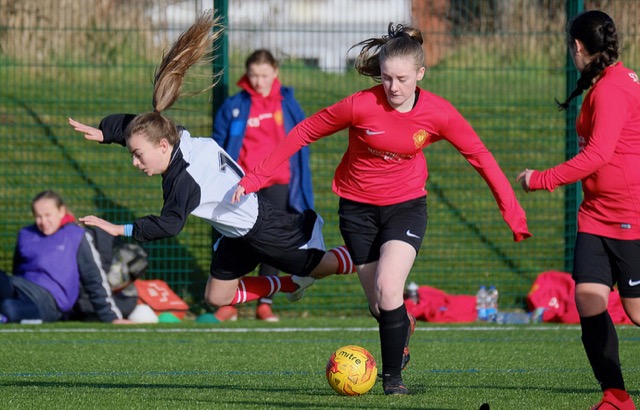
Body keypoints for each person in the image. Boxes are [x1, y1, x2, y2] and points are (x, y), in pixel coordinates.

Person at [234, 23, 531, 395]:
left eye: (403, 79)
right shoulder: (361, 105)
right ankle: (401, 325)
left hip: (405, 207)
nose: (393, 87)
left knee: (390, 289)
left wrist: (513, 213)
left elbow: (480, 157)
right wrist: (254, 178)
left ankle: (393, 381)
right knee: (380, 305)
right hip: (357, 211)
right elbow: (303, 131)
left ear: (420, 74)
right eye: (387, 77)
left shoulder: (438, 113)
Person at [68, 10, 354, 318]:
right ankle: (290, 285)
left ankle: (364, 256)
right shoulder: (179, 137)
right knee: (217, 296)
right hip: (237, 234)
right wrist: (106, 132)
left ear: (163, 147)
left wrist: (117, 228)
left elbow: (169, 224)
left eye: (138, 155)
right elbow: (140, 128)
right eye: (132, 154)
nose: (136, 162)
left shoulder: (183, 179)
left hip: (262, 227)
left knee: (324, 266)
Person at [517, 10, 639, 410]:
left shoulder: (612, 88)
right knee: (588, 298)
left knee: (637, 312)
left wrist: (542, 178)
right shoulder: (605, 82)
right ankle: (616, 396)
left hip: (629, 216)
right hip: (595, 215)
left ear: (577, 47)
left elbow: (600, 154)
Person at [212, 49, 311, 322]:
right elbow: (218, 147)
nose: (258, 81)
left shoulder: (288, 105)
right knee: (236, 239)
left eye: (264, 75)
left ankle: (265, 303)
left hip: (279, 183)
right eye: (254, 75)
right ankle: (228, 301)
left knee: (272, 243)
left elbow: (303, 139)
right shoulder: (233, 106)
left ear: (275, 73)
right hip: (242, 185)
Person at [0, 190, 130, 324]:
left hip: (49, 303)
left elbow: (93, 278)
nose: (43, 221)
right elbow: (17, 270)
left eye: (47, 215)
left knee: (9, 309)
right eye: (38, 216)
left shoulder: (75, 235)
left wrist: (112, 318)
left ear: (61, 211)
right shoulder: (26, 234)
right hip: (21, 287)